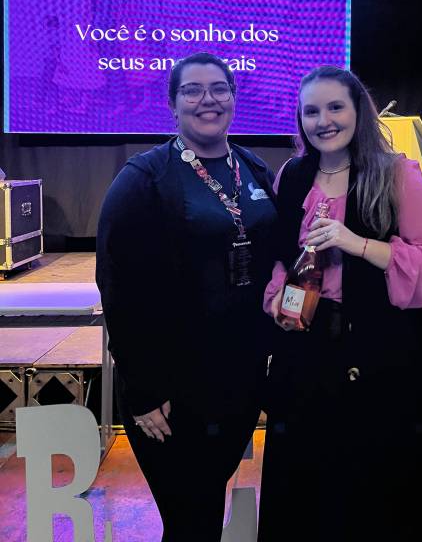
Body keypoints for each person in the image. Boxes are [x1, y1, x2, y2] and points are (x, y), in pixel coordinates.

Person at [257, 66, 422, 542]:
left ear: (358, 111)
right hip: (305, 357)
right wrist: (280, 297)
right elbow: (281, 257)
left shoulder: (397, 174)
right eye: (311, 111)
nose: (323, 121)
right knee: (305, 490)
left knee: (370, 490)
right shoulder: (293, 175)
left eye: (335, 107)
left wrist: (358, 243)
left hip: (379, 357)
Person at [96, 52, 277, 542]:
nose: (207, 100)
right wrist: (143, 391)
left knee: (204, 510)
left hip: (237, 382)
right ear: (173, 104)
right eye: (192, 90)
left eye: (219, 89)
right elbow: (118, 288)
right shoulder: (144, 178)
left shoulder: (252, 168)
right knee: (190, 518)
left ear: (233, 98)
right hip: (172, 391)